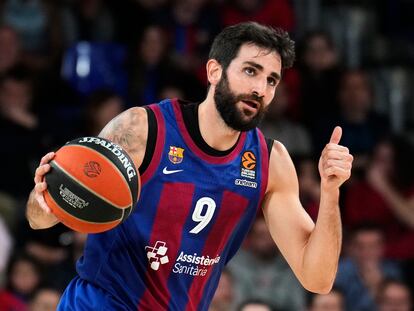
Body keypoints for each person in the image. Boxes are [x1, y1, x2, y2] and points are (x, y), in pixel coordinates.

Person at [25, 22, 353, 310]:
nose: (260, 89)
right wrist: (44, 200)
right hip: (101, 303)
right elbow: (42, 218)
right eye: (250, 71)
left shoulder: (271, 160)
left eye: (271, 80)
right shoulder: (142, 129)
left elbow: (318, 279)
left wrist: (330, 192)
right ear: (214, 71)